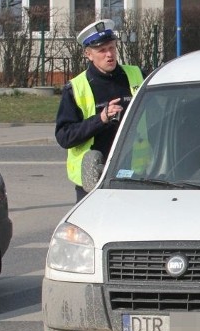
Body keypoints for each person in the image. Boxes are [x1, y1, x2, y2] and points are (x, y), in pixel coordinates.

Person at [55, 19, 144, 201]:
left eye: (111, 48)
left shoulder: (137, 74)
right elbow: (64, 136)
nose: (109, 55)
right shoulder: (76, 87)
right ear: (89, 54)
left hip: (135, 176)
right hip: (93, 179)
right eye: (101, 50)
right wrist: (101, 119)